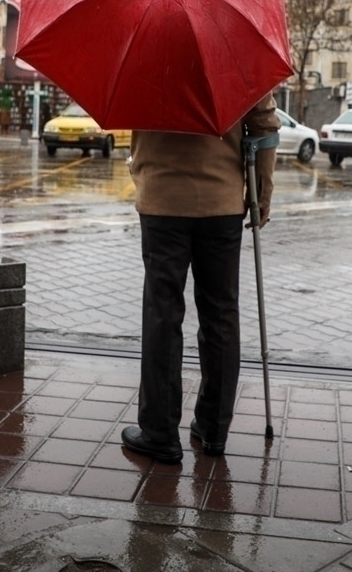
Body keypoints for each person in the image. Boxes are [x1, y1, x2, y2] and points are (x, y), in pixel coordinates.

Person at [119, 93, 279, 464]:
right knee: (221, 314)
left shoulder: (141, 50)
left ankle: (159, 432)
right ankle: (213, 428)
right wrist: (262, 194)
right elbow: (265, 125)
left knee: (162, 314)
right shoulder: (235, 49)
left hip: (162, 200)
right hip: (222, 203)